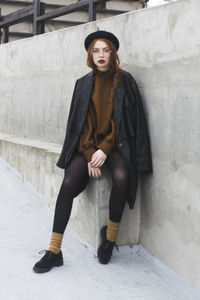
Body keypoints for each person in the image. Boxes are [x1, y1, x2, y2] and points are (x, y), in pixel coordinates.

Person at [33, 30, 152, 273]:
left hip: (115, 145)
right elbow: (79, 126)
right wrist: (90, 156)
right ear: (90, 54)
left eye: (105, 50)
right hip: (87, 147)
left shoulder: (125, 81)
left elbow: (125, 123)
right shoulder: (83, 84)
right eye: (96, 50)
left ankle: (109, 238)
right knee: (68, 184)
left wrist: (104, 151)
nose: (100, 55)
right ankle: (54, 251)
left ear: (113, 53)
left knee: (121, 176)